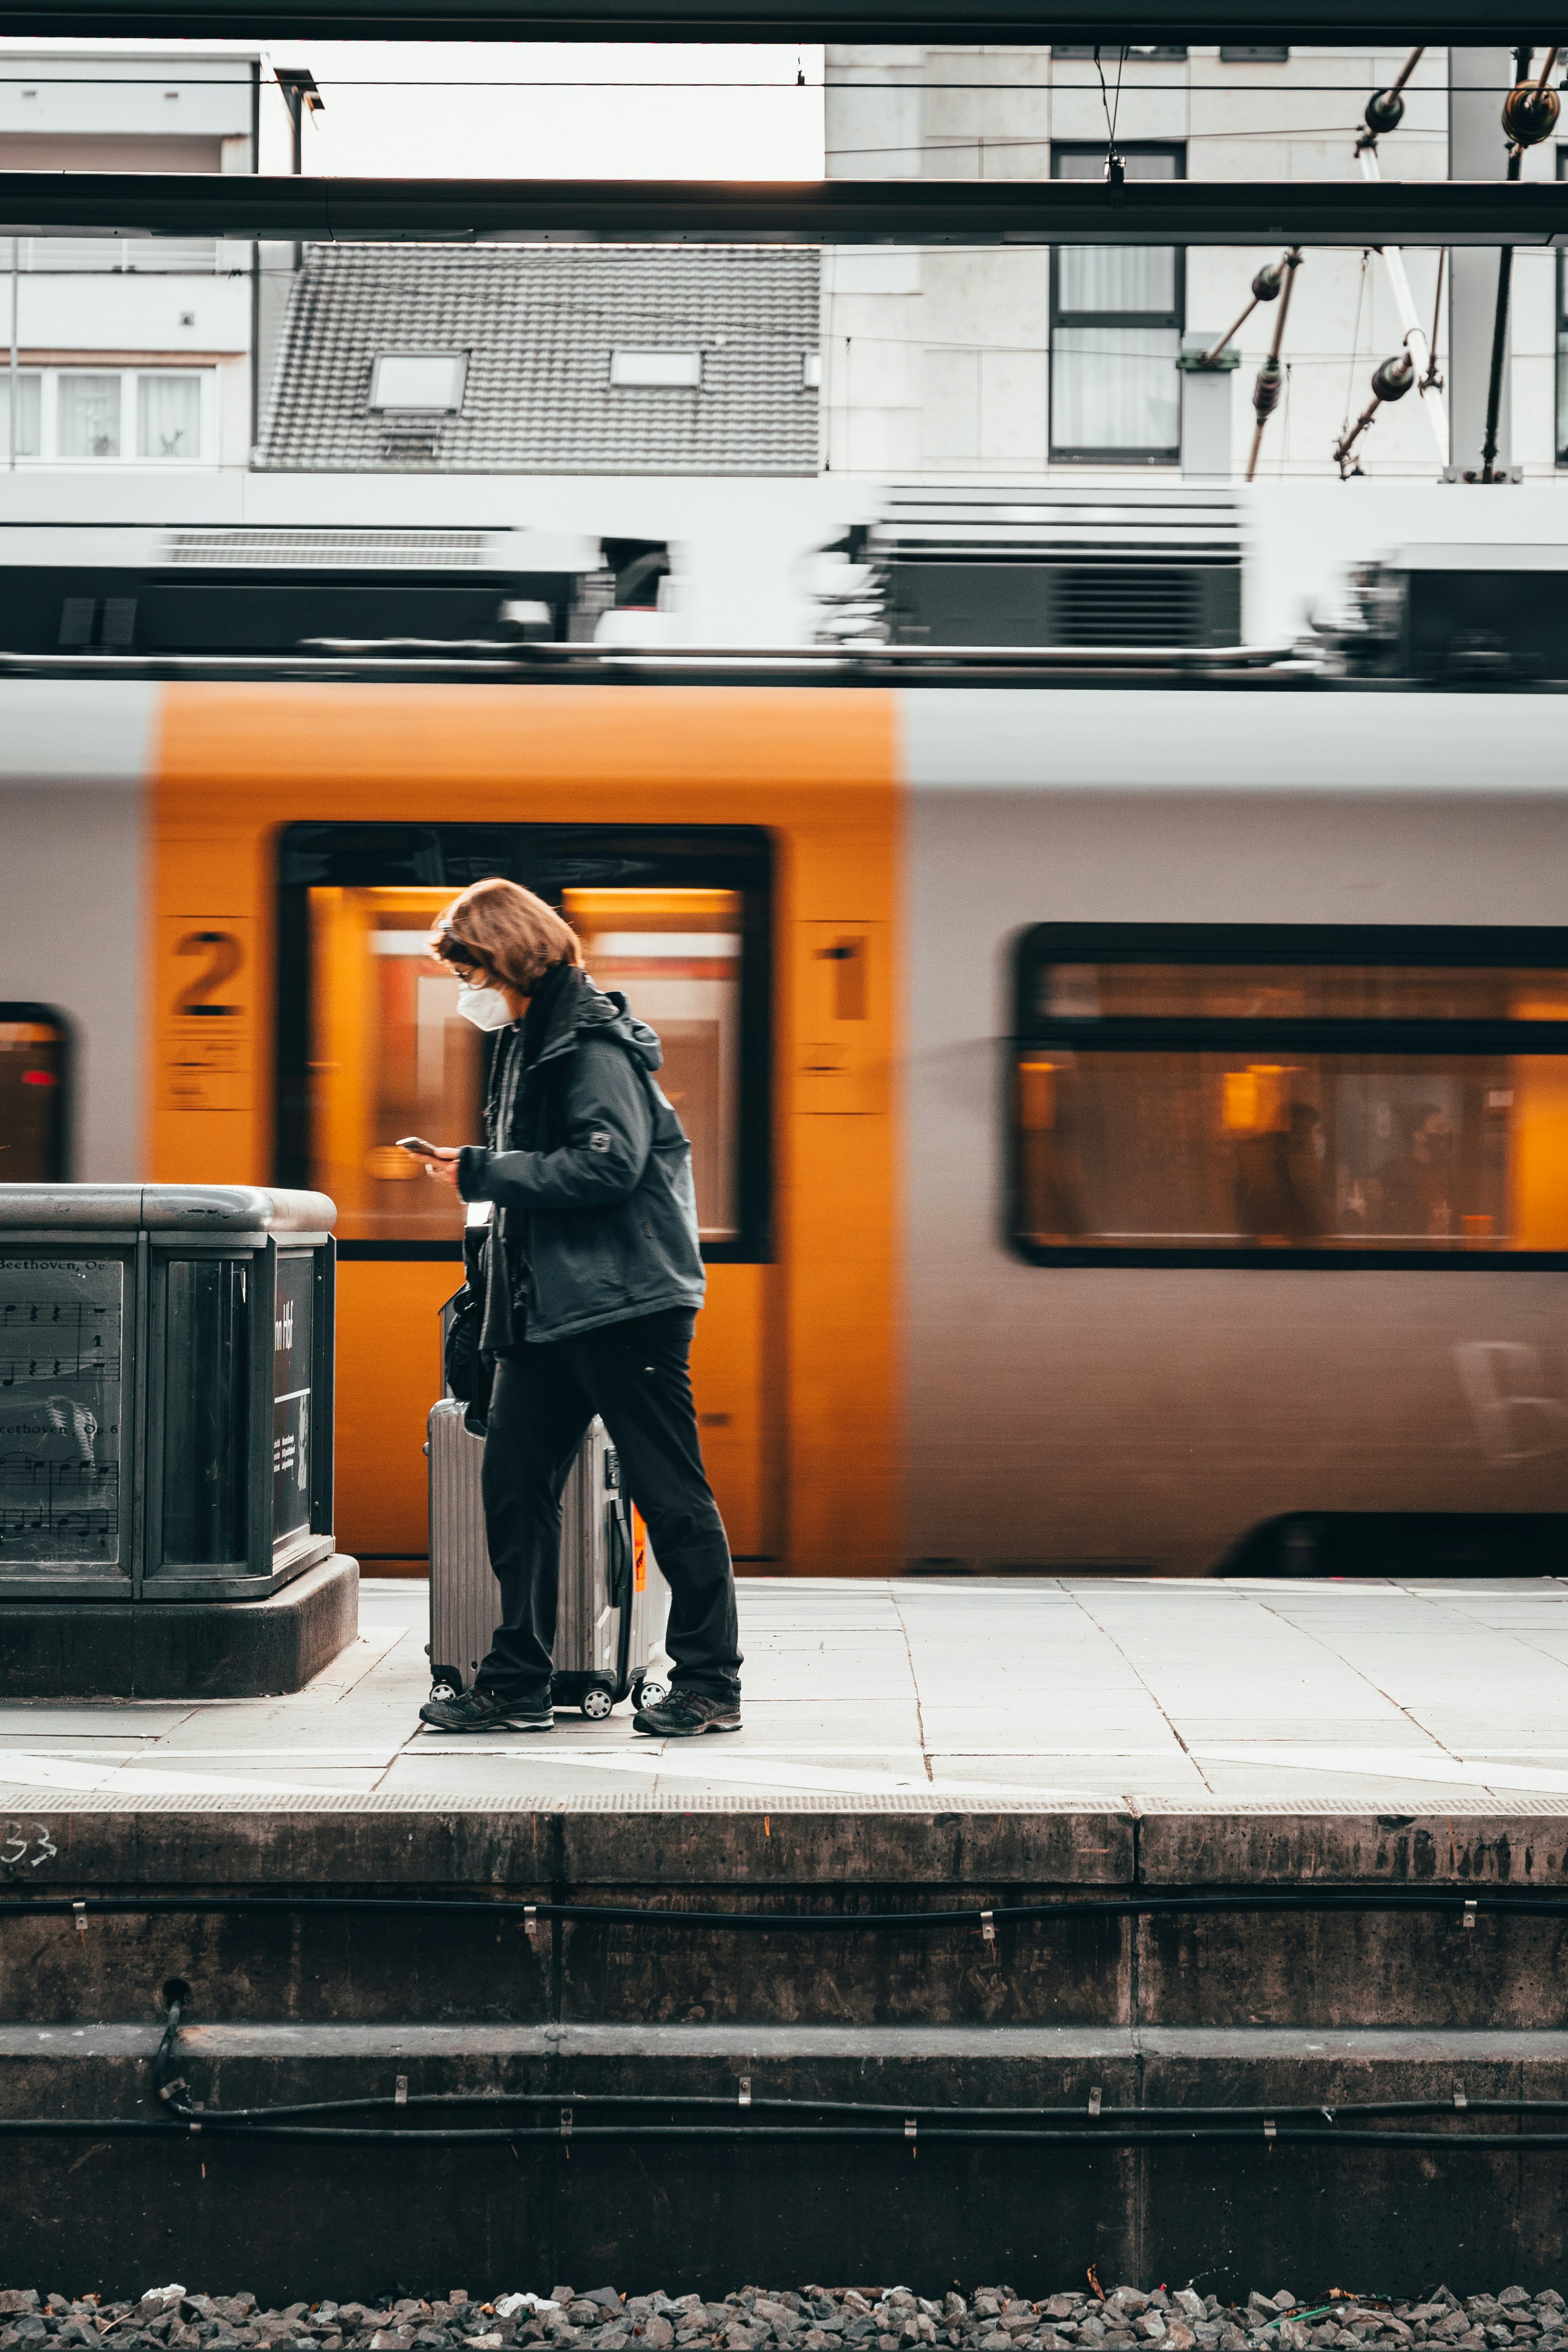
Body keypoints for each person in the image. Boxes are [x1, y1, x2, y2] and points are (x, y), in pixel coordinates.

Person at [415, 876, 743, 1739]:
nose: (465, 991)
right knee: (514, 1485)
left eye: (468, 971)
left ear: (503, 958)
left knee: (669, 1492)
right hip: (551, 1306)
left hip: (624, 1303)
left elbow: (608, 1166)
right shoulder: (534, 1038)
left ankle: (710, 1681)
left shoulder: (590, 1047)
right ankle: (517, 1678)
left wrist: (479, 1169)